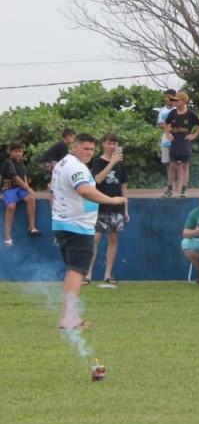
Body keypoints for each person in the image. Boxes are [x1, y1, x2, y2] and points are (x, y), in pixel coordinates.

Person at [51, 133, 128, 328]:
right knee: (77, 272)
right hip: (77, 226)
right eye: (85, 148)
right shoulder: (75, 167)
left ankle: (70, 315)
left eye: (92, 149)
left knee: (72, 271)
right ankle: (69, 318)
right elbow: (84, 190)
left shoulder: (62, 164)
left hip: (64, 223)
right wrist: (112, 200)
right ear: (73, 148)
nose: (89, 152)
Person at [87, 134, 128, 286]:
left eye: (115, 144)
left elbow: (124, 186)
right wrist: (112, 162)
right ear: (103, 144)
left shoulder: (121, 164)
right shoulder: (98, 161)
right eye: (109, 143)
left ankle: (108, 274)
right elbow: (98, 179)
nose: (112, 146)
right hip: (100, 205)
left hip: (117, 206)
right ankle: (88, 274)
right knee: (95, 239)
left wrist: (126, 209)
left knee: (113, 239)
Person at [163, 91, 199, 198]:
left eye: (177, 100)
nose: (175, 102)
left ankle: (184, 190)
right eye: (174, 100)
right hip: (175, 144)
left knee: (185, 166)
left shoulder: (191, 114)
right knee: (172, 166)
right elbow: (165, 124)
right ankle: (169, 190)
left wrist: (194, 135)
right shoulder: (172, 113)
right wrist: (168, 134)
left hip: (185, 144)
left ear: (184, 101)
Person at [2, 142, 40, 245]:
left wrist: (28, 189)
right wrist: (28, 188)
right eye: (15, 151)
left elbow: (24, 176)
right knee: (11, 206)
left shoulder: (21, 162)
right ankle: (7, 235)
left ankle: (32, 227)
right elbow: (16, 178)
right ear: (10, 152)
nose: (18, 153)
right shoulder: (8, 162)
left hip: (20, 188)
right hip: (9, 188)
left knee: (31, 199)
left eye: (20, 151)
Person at [157, 89, 176, 197]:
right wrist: (166, 126)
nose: (166, 99)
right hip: (165, 138)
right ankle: (170, 184)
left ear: (173, 97)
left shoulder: (177, 109)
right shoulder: (162, 110)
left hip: (176, 138)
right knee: (167, 163)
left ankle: (178, 183)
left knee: (177, 162)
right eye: (165, 97)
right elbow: (159, 123)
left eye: (168, 97)